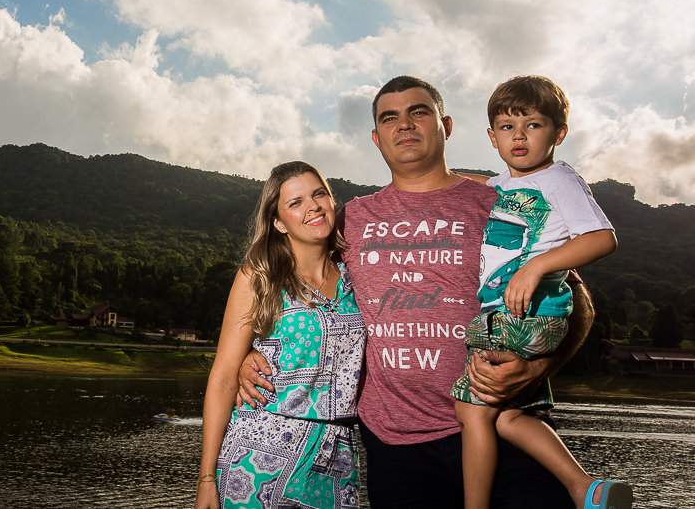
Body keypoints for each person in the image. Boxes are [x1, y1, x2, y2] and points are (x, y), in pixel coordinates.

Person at [238, 75, 594, 508]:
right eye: (390, 117)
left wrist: (537, 369)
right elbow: (293, 281)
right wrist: (254, 351)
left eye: (418, 112)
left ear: (445, 125)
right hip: (397, 446)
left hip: (503, 424)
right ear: (376, 137)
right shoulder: (349, 219)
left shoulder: (500, 200)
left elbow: (579, 305)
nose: (404, 125)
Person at [451, 75, 631, 509]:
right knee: (510, 416)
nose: (519, 137)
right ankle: (584, 487)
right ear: (492, 137)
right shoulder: (500, 186)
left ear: (558, 133)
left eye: (532, 125)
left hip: (524, 313)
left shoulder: (559, 180)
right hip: (521, 316)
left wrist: (538, 266)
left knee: (472, 412)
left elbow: (603, 238)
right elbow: (476, 184)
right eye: (507, 128)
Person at [196, 161, 367, 509]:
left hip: (338, 456)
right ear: (278, 222)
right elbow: (223, 379)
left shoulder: (357, 276)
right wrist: (206, 479)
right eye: (296, 202)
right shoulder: (259, 277)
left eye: (319, 194)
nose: (313, 206)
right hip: (258, 458)